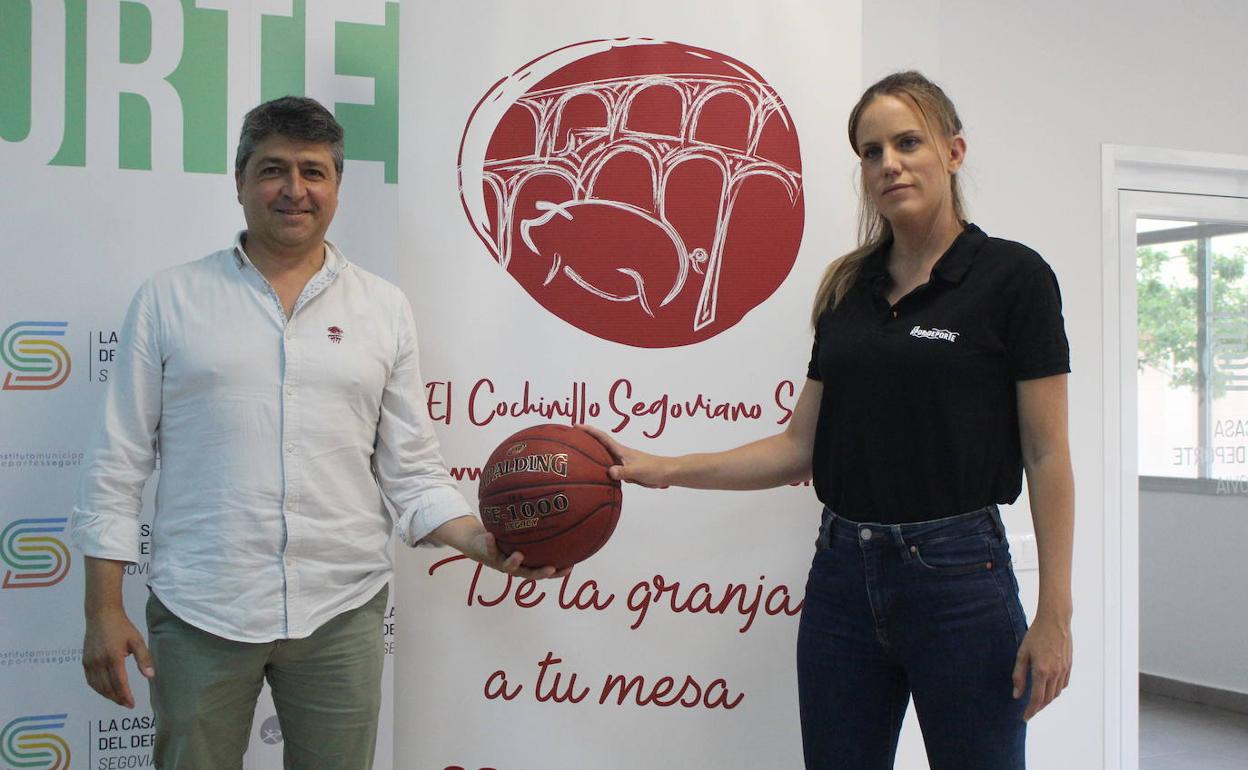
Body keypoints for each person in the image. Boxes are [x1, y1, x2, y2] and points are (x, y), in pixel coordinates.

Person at [582, 71, 1074, 770]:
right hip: (842, 576)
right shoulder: (850, 287)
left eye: (908, 142)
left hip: (960, 577)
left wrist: (1056, 612)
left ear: (954, 151)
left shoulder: (1014, 279)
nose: (889, 164)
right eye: (871, 152)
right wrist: (662, 469)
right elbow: (797, 446)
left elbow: (1047, 452)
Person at [69, 96, 562, 770]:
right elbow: (116, 464)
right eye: (273, 170)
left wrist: (481, 541)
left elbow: (411, 469)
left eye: (314, 172)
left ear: (336, 186)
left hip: (341, 609)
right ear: (239, 180)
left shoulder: (383, 308)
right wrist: (103, 609)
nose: (293, 190)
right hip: (202, 609)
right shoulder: (168, 299)